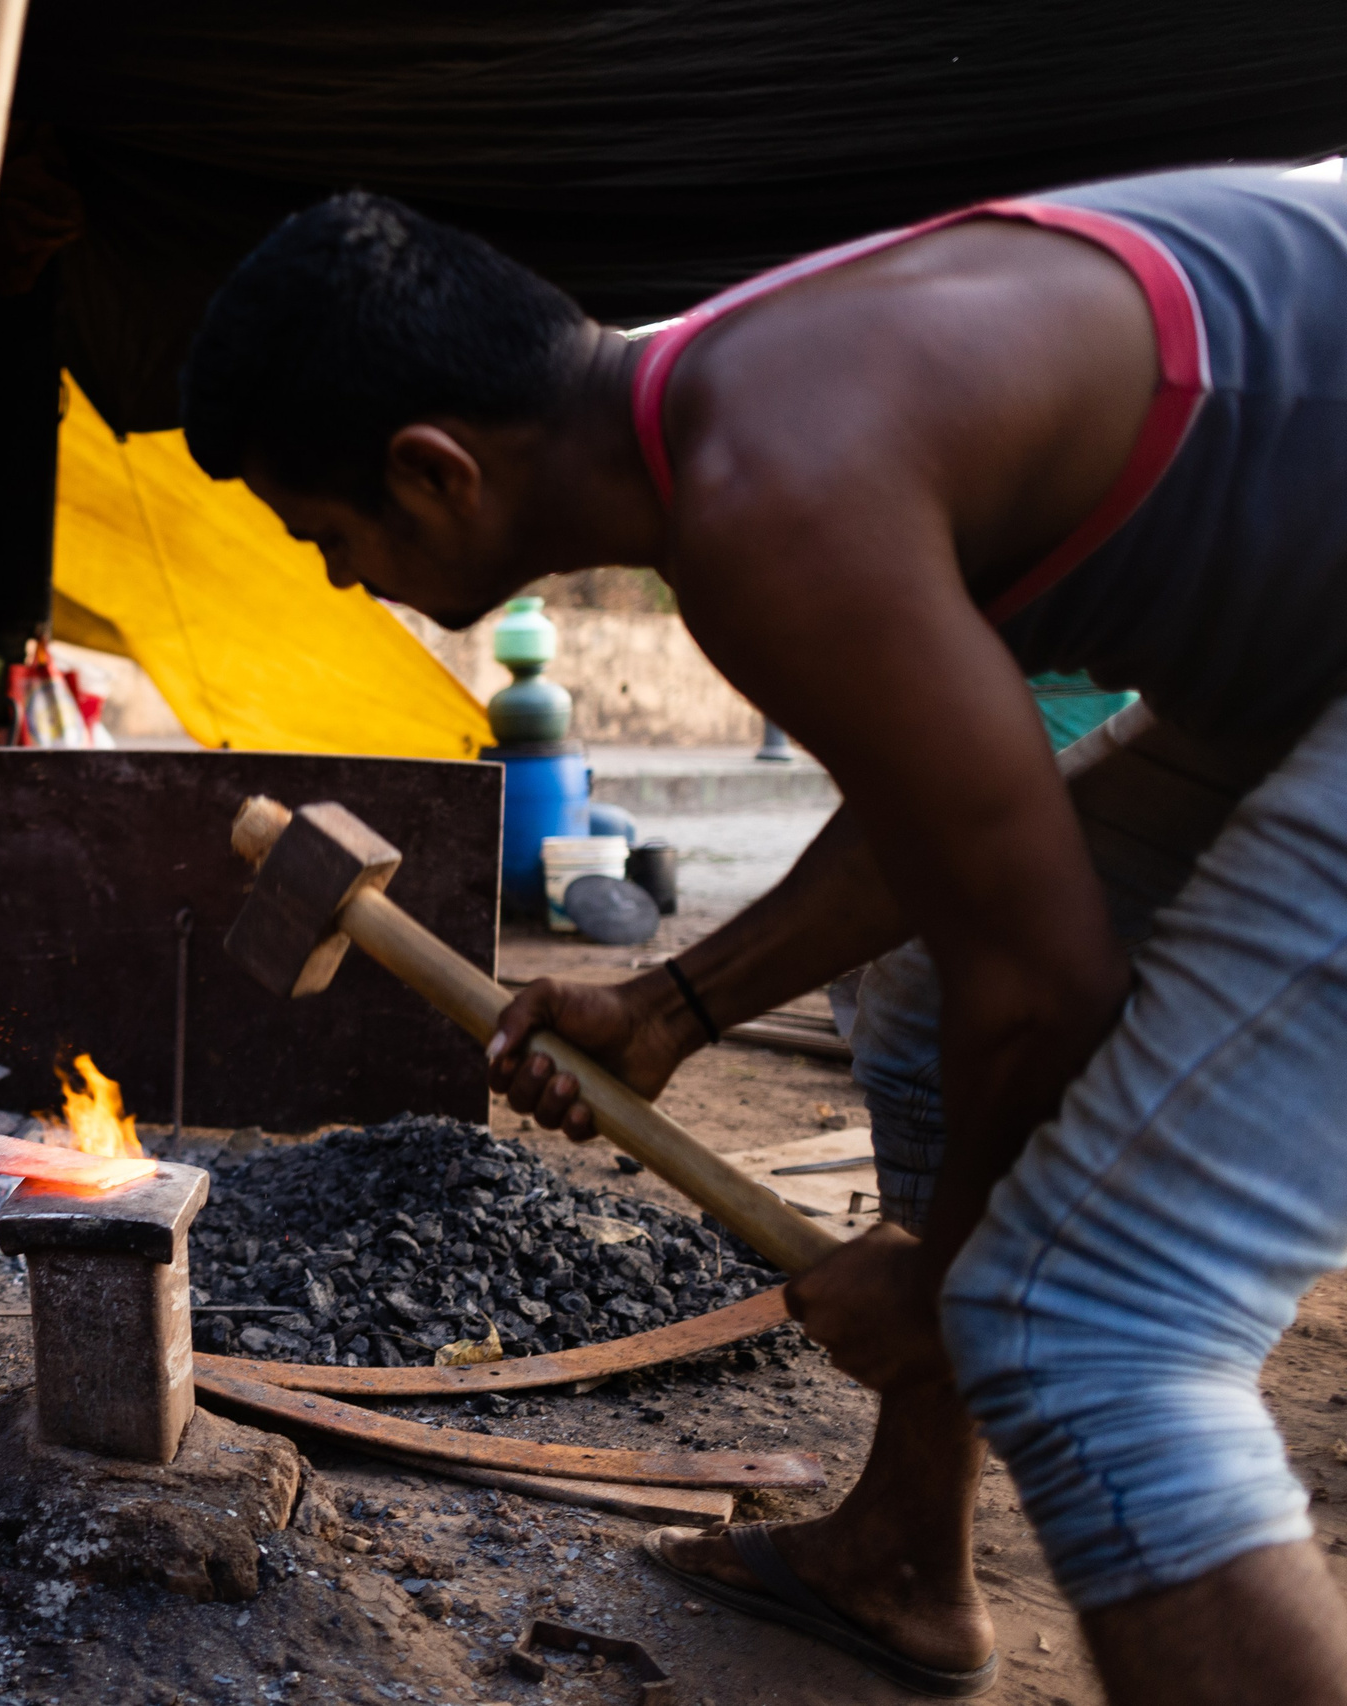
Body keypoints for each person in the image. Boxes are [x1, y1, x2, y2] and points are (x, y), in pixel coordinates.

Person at [178, 169, 1347, 1703]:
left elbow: (1048, 983)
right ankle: (907, 1562)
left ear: (435, 469)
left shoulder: (766, 495)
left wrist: (943, 1281)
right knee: (926, 998)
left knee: (1076, 1330)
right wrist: (675, 1004)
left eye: (327, 536)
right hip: (1289, 663)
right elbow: (949, 809)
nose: (340, 579)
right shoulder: (733, 396)